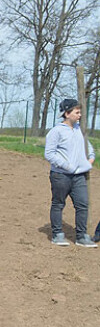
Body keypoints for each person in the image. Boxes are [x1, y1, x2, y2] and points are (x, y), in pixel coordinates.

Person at [45, 98, 97, 247]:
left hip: (79, 176)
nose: (80, 115)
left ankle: (81, 236)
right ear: (67, 113)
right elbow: (49, 154)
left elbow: (87, 146)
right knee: (58, 204)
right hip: (60, 175)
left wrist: (91, 158)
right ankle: (57, 234)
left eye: (80, 112)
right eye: (77, 112)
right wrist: (67, 166)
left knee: (82, 204)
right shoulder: (56, 132)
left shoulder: (79, 130)